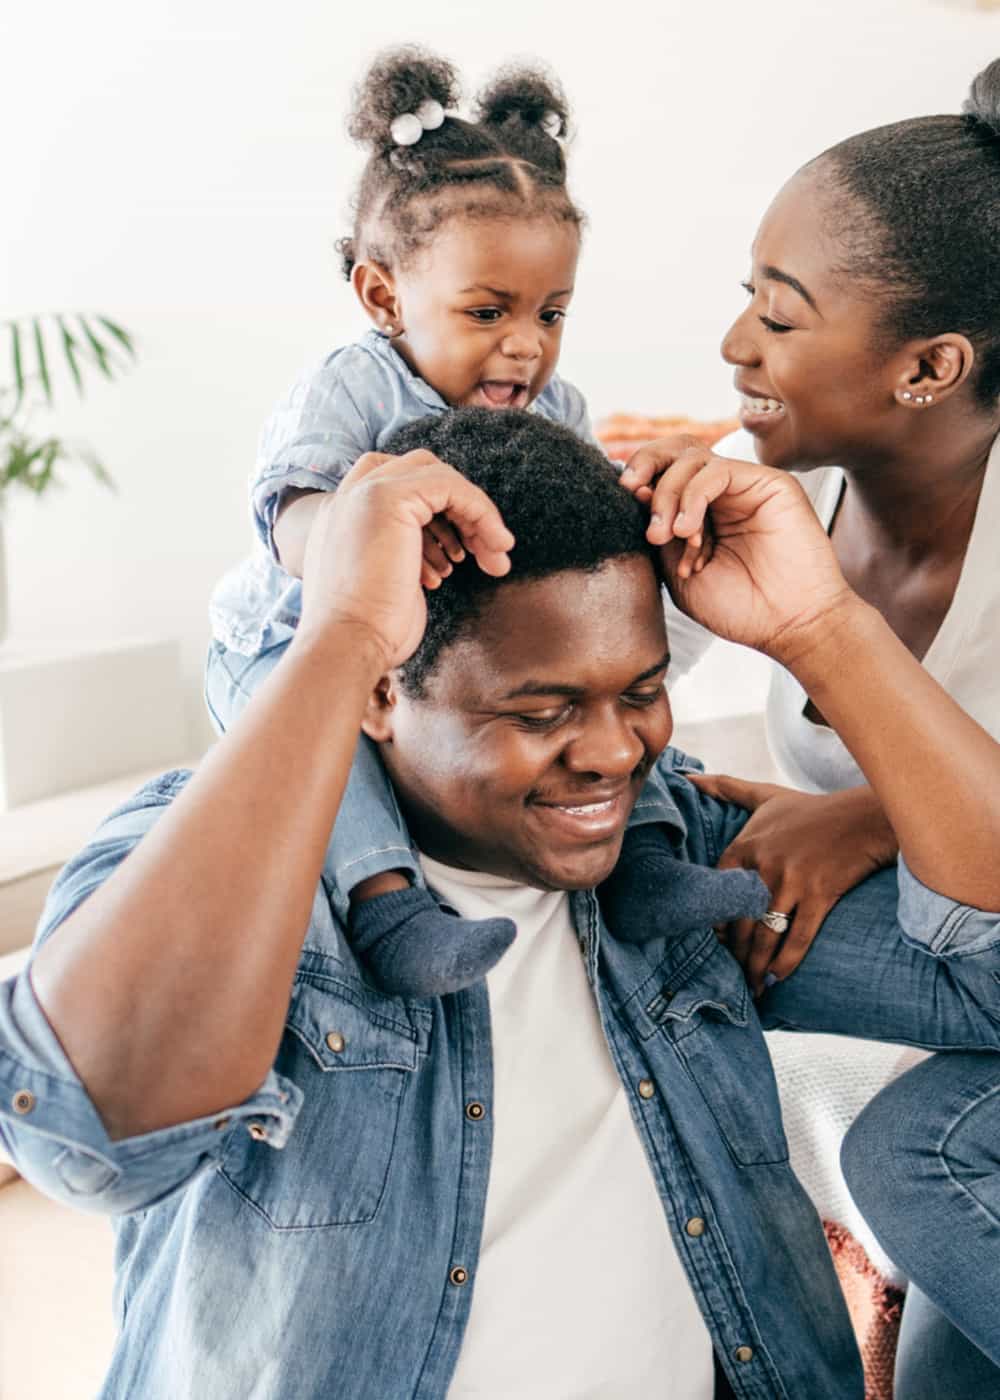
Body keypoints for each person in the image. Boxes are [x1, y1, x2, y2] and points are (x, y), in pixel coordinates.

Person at [5, 407, 1000, 1400]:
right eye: (542, 711)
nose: (614, 749)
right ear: (382, 692)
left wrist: (827, 630)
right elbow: (90, 1139)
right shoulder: (222, 861)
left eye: (641, 690)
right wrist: (339, 635)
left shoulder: (672, 851)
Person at [206, 45, 764, 1000]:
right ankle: (388, 906)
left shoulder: (555, 408)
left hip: (449, 655)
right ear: (385, 295)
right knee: (324, 749)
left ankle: (647, 864)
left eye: (552, 313)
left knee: (610, 703)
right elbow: (294, 516)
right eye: (488, 311)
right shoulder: (354, 386)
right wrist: (359, 552)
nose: (525, 344)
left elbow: (583, 534)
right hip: (295, 634)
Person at [630, 55, 1000, 1389]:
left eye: (780, 319)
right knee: (657, 857)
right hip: (961, 959)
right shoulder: (754, 492)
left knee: (928, 1150)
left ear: (929, 367)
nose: (736, 349)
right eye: (746, 299)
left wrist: (860, 780)